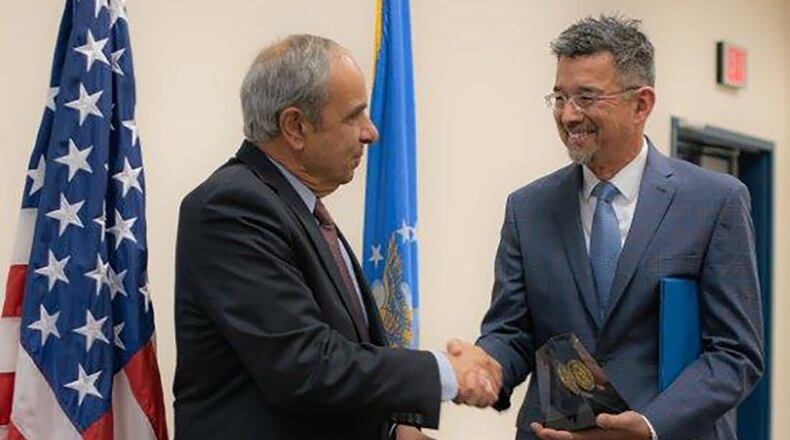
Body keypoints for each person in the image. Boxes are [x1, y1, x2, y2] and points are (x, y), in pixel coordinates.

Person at [172, 34, 501, 440]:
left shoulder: (300, 209)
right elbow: (303, 363)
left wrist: (395, 430)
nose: (371, 133)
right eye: (354, 116)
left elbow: (341, 353)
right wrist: (445, 372)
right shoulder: (232, 208)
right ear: (295, 126)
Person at [457, 15, 764, 440]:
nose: (567, 115)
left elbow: (735, 354)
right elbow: (511, 332)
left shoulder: (714, 202)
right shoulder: (527, 209)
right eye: (560, 97)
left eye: (586, 97)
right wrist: (485, 366)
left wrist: (652, 424)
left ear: (642, 104)